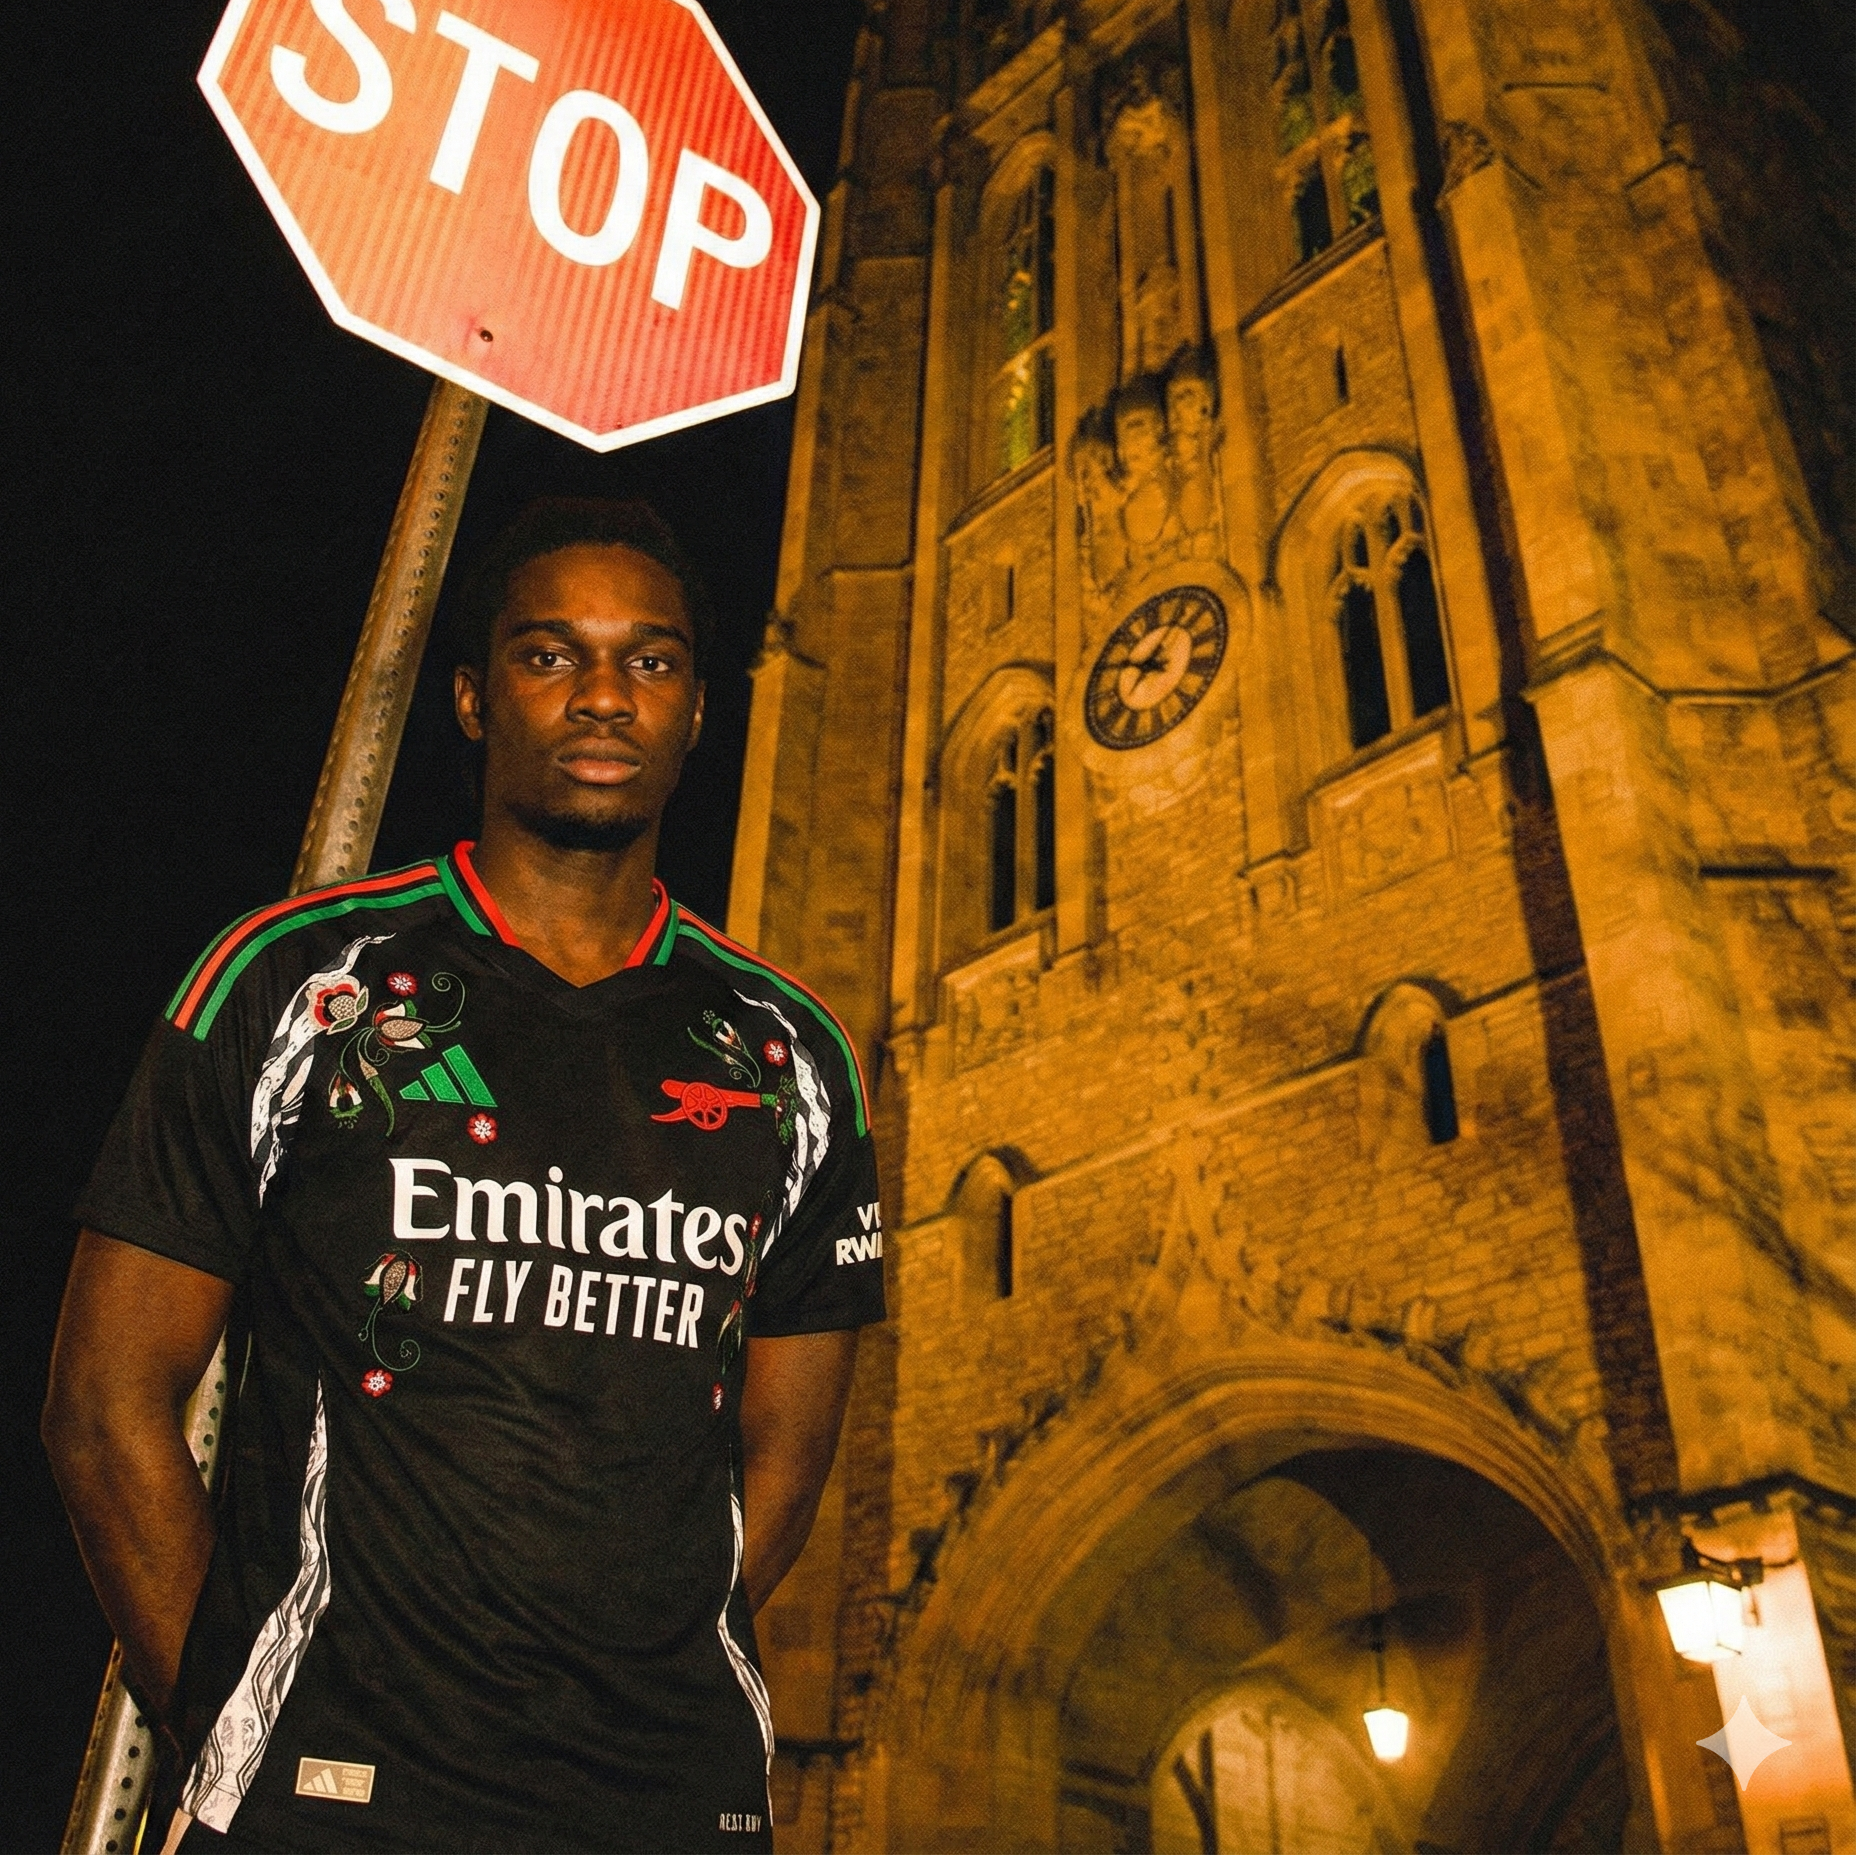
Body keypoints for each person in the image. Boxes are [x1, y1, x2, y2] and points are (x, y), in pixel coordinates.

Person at [43, 499, 886, 1854]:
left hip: (673, 1805)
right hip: (334, 1804)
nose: (605, 695)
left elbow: (782, 1468)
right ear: (474, 698)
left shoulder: (793, 1055)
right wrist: (233, 1721)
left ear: (698, 712)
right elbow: (102, 1406)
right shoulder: (297, 981)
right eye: (552, 657)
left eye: (651, 661)